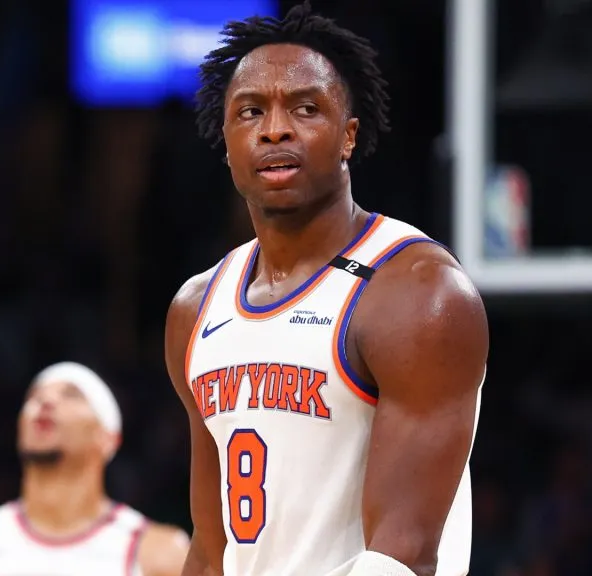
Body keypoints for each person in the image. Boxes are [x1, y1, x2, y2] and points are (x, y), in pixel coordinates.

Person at [164, 3, 489, 575]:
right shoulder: (196, 309)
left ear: (348, 135)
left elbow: (402, 553)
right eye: (250, 112)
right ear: (227, 139)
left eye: (305, 108)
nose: (274, 128)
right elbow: (213, 548)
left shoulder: (418, 293)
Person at [0, 362, 190, 576]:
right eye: (35, 397)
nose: (45, 403)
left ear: (107, 438)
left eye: (71, 395)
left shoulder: (160, 553)